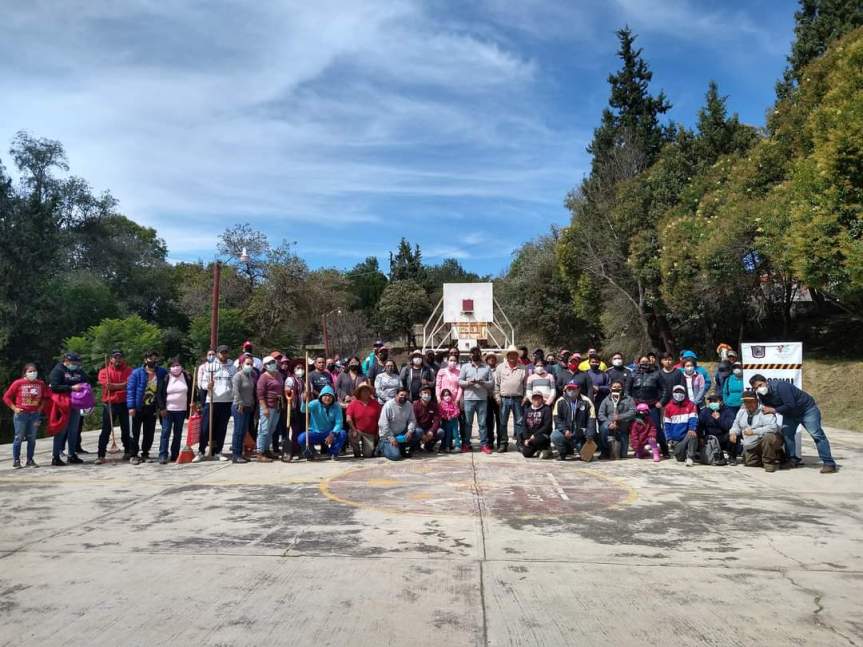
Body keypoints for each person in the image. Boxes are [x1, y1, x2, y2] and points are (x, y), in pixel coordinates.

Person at [749, 374, 837, 473]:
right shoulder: (761, 394)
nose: (759, 389)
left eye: (760, 385)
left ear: (766, 382)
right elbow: (768, 407)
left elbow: (790, 404)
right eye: (756, 388)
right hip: (789, 414)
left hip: (807, 410)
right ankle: (792, 460)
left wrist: (773, 410)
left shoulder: (781, 386)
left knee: (816, 435)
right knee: (787, 435)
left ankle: (829, 463)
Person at [3, 363, 49, 468]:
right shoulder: (18, 383)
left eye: (34, 371)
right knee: (18, 437)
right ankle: (16, 460)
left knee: (32, 438)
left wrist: (40, 408)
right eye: (30, 371)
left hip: (34, 415)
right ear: (25, 373)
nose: (33, 373)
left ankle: (30, 460)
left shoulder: (40, 383)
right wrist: (15, 408)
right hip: (21, 415)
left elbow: (46, 397)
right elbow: (6, 397)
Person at [47, 352, 88, 466]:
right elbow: (54, 386)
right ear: (66, 361)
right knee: (61, 430)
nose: (75, 365)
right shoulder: (58, 371)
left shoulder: (78, 371)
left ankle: (72, 455)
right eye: (73, 363)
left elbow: (85, 380)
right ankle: (56, 456)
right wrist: (71, 387)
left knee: (74, 430)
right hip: (62, 404)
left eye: (77, 363)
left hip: (76, 403)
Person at [126, 350, 167, 465]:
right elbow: (130, 390)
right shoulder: (136, 373)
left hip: (152, 407)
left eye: (155, 358)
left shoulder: (162, 372)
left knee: (149, 432)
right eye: (150, 358)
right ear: (145, 360)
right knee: (134, 432)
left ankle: (145, 453)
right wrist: (131, 407)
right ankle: (133, 454)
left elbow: (165, 388)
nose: (153, 360)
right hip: (138, 406)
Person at [195, 345, 235, 461]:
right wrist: (207, 386)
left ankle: (218, 451)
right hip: (212, 400)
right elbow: (202, 383)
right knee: (205, 428)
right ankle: (201, 451)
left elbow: (234, 384)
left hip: (226, 401)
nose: (224, 354)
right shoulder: (210, 366)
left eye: (226, 352)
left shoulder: (232, 367)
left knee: (221, 428)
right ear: (218, 353)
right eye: (222, 352)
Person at [733, 390, 784, 472]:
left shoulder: (765, 411)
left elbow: (773, 427)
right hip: (752, 444)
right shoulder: (741, 411)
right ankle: (774, 456)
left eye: (751, 401)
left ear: (757, 401)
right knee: (749, 463)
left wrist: (754, 432)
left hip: (766, 439)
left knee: (768, 437)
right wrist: (733, 432)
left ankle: (769, 463)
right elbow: (736, 424)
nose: (748, 404)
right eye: (746, 402)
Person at [96, 350, 132, 463]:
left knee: (126, 429)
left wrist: (114, 386)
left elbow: (129, 384)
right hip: (110, 403)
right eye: (115, 357)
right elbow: (108, 387)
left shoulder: (129, 370)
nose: (118, 359)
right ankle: (101, 455)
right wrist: (122, 386)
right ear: (111, 359)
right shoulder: (104, 371)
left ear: (123, 358)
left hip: (125, 403)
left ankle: (128, 451)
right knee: (106, 430)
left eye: (120, 357)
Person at [630, 355, 668, 457]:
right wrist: (631, 403)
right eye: (642, 362)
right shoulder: (633, 375)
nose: (644, 363)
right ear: (638, 363)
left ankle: (665, 450)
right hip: (638, 406)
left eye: (646, 362)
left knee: (656, 427)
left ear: (650, 363)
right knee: (638, 428)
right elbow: (627, 390)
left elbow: (665, 389)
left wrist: (661, 402)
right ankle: (639, 450)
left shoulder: (657, 374)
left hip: (652, 406)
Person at [459, 346, 495, 454]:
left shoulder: (487, 367)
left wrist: (483, 382)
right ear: (470, 355)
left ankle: (484, 445)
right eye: (473, 353)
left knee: (482, 423)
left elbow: (491, 384)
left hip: (482, 399)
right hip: (469, 399)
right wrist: (469, 382)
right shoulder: (465, 367)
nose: (475, 354)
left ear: (480, 354)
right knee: (468, 423)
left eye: (477, 353)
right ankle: (466, 444)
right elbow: (460, 381)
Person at [156, 358, 192, 464]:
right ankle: (163, 455)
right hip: (168, 410)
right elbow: (159, 394)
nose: (176, 368)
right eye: (174, 366)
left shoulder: (187, 377)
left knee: (178, 433)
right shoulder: (166, 378)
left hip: (181, 410)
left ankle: (175, 454)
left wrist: (192, 404)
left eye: (178, 365)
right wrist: (162, 408)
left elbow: (191, 392)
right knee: (165, 432)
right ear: (170, 368)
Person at [551, 381, 598, 461]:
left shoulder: (587, 401)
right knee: (555, 435)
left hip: (581, 434)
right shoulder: (560, 401)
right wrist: (565, 430)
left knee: (587, 458)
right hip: (566, 433)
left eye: (573, 388)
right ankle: (563, 452)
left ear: (579, 389)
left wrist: (589, 435)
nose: (571, 391)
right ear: (566, 389)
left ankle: (583, 451)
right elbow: (557, 419)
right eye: (569, 389)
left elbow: (592, 420)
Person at [299, 385, 346, 459]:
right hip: (315, 432)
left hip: (329, 433)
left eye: (330, 396)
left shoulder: (336, 406)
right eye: (325, 396)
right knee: (302, 438)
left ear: (333, 397)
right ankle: (311, 452)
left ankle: (333, 453)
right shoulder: (315, 403)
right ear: (321, 396)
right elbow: (304, 410)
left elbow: (339, 423)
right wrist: (304, 400)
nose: (327, 398)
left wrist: (332, 434)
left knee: (342, 433)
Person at [494, 345, 526, 453]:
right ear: (507, 356)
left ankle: (520, 443)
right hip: (504, 399)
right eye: (510, 354)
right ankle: (503, 444)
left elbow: (526, 385)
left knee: (520, 422)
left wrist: (525, 397)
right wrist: (497, 397)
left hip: (518, 399)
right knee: (503, 422)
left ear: (517, 356)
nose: (512, 356)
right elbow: (496, 384)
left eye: (514, 354)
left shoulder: (523, 368)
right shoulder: (500, 367)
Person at [377, 386, 420, 460]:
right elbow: (383, 424)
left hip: (401, 434)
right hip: (387, 435)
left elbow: (412, 420)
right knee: (395, 456)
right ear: (396, 395)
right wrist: (390, 437)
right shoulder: (388, 405)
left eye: (406, 395)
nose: (404, 397)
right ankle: (381, 447)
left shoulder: (409, 405)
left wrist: (410, 431)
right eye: (401, 395)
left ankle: (401, 448)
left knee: (418, 432)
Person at [596, 380, 636, 459]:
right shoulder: (606, 400)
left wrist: (620, 417)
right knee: (603, 428)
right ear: (610, 389)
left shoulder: (629, 399)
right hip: (609, 428)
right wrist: (609, 423)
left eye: (619, 387)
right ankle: (605, 450)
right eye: (614, 387)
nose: (616, 389)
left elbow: (633, 411)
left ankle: (616, 450)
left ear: (622, 388)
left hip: (623, 429)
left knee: (623, 455)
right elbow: (601, 414)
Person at [255, 356, 284, 462]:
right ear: (265, 366)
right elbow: (260, 394)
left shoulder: (278, 375)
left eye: (273, 362)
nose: (272, 364)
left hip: (277, 406)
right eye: (269, 363)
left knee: (271, 429)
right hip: (267, 406)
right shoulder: (263, 377)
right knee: (264, 430)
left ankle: (267, 450)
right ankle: (260, 452)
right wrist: (264, 408)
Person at [698, 393, 739, 465]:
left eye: (715, 401)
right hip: (710, 439)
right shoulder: (705, 411)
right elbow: (700, 425)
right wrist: (701, 437)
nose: (712, 403)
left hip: (723, 438)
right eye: (711, 401)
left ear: (721, 402)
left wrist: (719, 419)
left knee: (733, 434)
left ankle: (732, 457)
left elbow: (730, 426)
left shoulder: (728, 411)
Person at [664, 385, 700, 466]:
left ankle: (690, 457)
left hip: (686, 436)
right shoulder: (668, 407)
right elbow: (666, 425)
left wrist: (692, 428)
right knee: (680, 459)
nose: (679, 394)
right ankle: (684, 454)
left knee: (692, 434)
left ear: (685, 393)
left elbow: (693, 419)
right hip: (676, 441)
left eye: (681, 392)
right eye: (676, 392)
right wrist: (669, 439)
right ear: (673, 393)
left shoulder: (691, 405)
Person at [230, 354, 256, 463]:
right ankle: (236, 454)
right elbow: (235, 391)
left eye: (251, 364)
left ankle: (241, 453)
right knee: (238, 431)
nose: (249, 366)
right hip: (239, 406)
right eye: (247, 364)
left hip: (248, 406)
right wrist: (240, 403)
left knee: (244, 431)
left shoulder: (250, 376)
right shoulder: (238, 376)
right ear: (241, 364)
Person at [346, 383, 381, 458]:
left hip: (370, 433)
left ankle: (367, 449)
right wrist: (354, 430)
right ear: (359, 392)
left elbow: (380, 420)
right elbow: (348, 419)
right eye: (363, 391)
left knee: (368, 455)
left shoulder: (376, 403)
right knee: (351, 435)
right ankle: (357, 453)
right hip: (357, 430)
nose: (366, 392)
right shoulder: (353, 403)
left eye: (367, 390)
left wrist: (377, 433)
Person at [282, 361, 308, 461]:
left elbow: (306, 391)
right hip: (292, 408)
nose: (300, 370)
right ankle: (292, 450)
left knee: (302, 429)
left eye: (302, 368)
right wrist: (289, 391)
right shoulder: (290, 379)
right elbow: (286, 390)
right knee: (294, 430)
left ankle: (301, 449)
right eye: (298, 368)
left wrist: (306, 393)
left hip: (302, 408)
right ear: (294, 369)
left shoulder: (303, 380)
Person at [522, 389, 553, 458]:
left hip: (542, 435)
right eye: (534, 398)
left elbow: (547, 426)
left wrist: (535, 435)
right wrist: (526, 438)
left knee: (537, 440)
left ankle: (545, 449)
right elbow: (524, 425)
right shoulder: (527, 410)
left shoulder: (546, 409)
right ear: (532, 400)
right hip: (530, 437)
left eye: (538, 398)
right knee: (526, 454)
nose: (536, 400)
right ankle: (537, 449)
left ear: (542, 399)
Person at [413, 385, 442, 451]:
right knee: (418, 431)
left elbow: (436, 420)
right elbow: (414, 420)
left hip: (428, 428)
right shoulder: (415, 404)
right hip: (418, 428)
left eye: (429, 393)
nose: (427, 395)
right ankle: (416, 445)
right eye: (425, 393)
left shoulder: (434, 405)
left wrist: (431, 431)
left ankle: (429, 445)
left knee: (440, 432)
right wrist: (422, 434)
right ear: (420, 394)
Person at [484, 352, 501, 450]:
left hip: (498, 397)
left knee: (500, 420)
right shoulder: (484, 370)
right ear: (486, 360)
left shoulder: (499, 370)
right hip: (487, 397)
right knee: (488, 420)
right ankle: (489, 441)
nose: (491, 359)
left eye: (493, 358)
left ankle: (500, 441)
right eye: (489, 358)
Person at [438, 388, 461, 452]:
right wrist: (445, 417)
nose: (447, 397)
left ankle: (457, 446)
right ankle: (447, 446)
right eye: (445, 395)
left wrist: (453, 416)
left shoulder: (453, 403)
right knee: (447, 434)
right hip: (446, 421)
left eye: (448, 395)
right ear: (442, 396)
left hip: (454, 421)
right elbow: (440, 412)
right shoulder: (441, 404)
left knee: (455, 433)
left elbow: (457, 411)